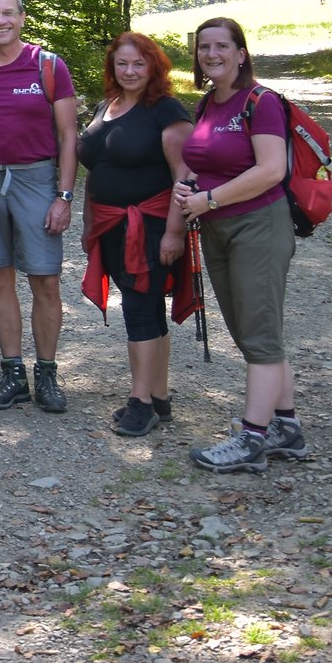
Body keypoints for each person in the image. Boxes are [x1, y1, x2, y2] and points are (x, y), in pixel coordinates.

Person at [173, 18, 308, 473]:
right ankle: (287, 428)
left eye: (221, 46)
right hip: (216, 228)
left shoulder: (260, 101)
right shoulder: (208, 102)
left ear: (241, 53)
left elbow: (270, 170)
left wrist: (209, 198)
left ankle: (252, 439)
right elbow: (205, 160)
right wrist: (190, 187)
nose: (211, 54)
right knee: (251, 330)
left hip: (258, 226)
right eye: (203, 47)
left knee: (259, 333)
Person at [0, 0, 80, 413]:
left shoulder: (47, 65)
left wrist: (63, 196)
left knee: (45, 279)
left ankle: (47, 373)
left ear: (22, 17)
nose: (1, 21)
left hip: (35, 180)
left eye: (8, 13)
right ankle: (13, 373)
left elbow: (68, 135)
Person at [78, 32, 195, 437]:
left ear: (154, 67)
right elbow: (95, 169)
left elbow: (185, 177)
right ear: (112, 67)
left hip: (150, 226)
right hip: (111, 226)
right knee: (147, 310)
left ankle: (140, 402)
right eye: (122, 63)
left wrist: (174, 233)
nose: (129, 71)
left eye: (138, 64)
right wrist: (89, 225)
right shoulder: (106, 106)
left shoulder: (167, 111)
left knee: (139, 311)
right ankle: (158, 398)